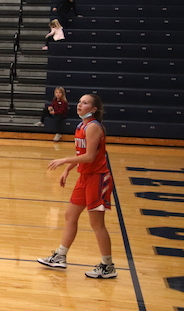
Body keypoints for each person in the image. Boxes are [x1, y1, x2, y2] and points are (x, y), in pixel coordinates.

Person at [38, 93, 117, 279]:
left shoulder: (93, 127)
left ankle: (107, 266)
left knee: (96, 223)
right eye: (80, 102)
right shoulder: (81, 126)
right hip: (85, 177)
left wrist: (64, 160)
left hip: (98, 178)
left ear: (94, 109)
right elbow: (81, 153)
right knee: (70, 215)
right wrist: (68, 170)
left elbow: (90, 157)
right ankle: (60, 255)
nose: (80, 105)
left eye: (85, 103)